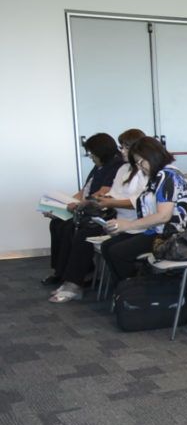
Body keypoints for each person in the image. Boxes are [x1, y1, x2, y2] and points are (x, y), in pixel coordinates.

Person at [48, 129, 147, 303]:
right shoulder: (124, 168)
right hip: (115, 215)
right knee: (78, 227)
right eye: (121, 147)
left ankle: (74, 283)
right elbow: (113, 193)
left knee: (84, 233)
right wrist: (101, 200)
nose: (122, 151)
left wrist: (106, 202)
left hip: (131, 221)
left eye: (125, 147)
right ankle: (69, 278)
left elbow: (138, 201)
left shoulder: (147, 171)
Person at [100, 137, 187, 284]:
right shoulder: (157, 176)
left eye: (141, 161)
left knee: (118, 252)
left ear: (152, 155)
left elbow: (163, 216)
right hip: (154, 231)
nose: (139, 166)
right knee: (108, 246)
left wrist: (128, 225)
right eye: (136, 163)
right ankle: (125, 292)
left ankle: (134, 291)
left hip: (169, 235)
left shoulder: (168, 175)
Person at [44, 132, 125, 286]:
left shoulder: (116, 165)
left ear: (102, 153)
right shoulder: (99, 166)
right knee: (56, 223)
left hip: (99, 210)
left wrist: (79, 205)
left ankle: (72, 273)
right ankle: (59, 271)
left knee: (70, 227)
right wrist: (60, 206)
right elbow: (84, 191)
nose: (90, 157)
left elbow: (103, 192)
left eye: (92, 154)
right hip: (85, 206)